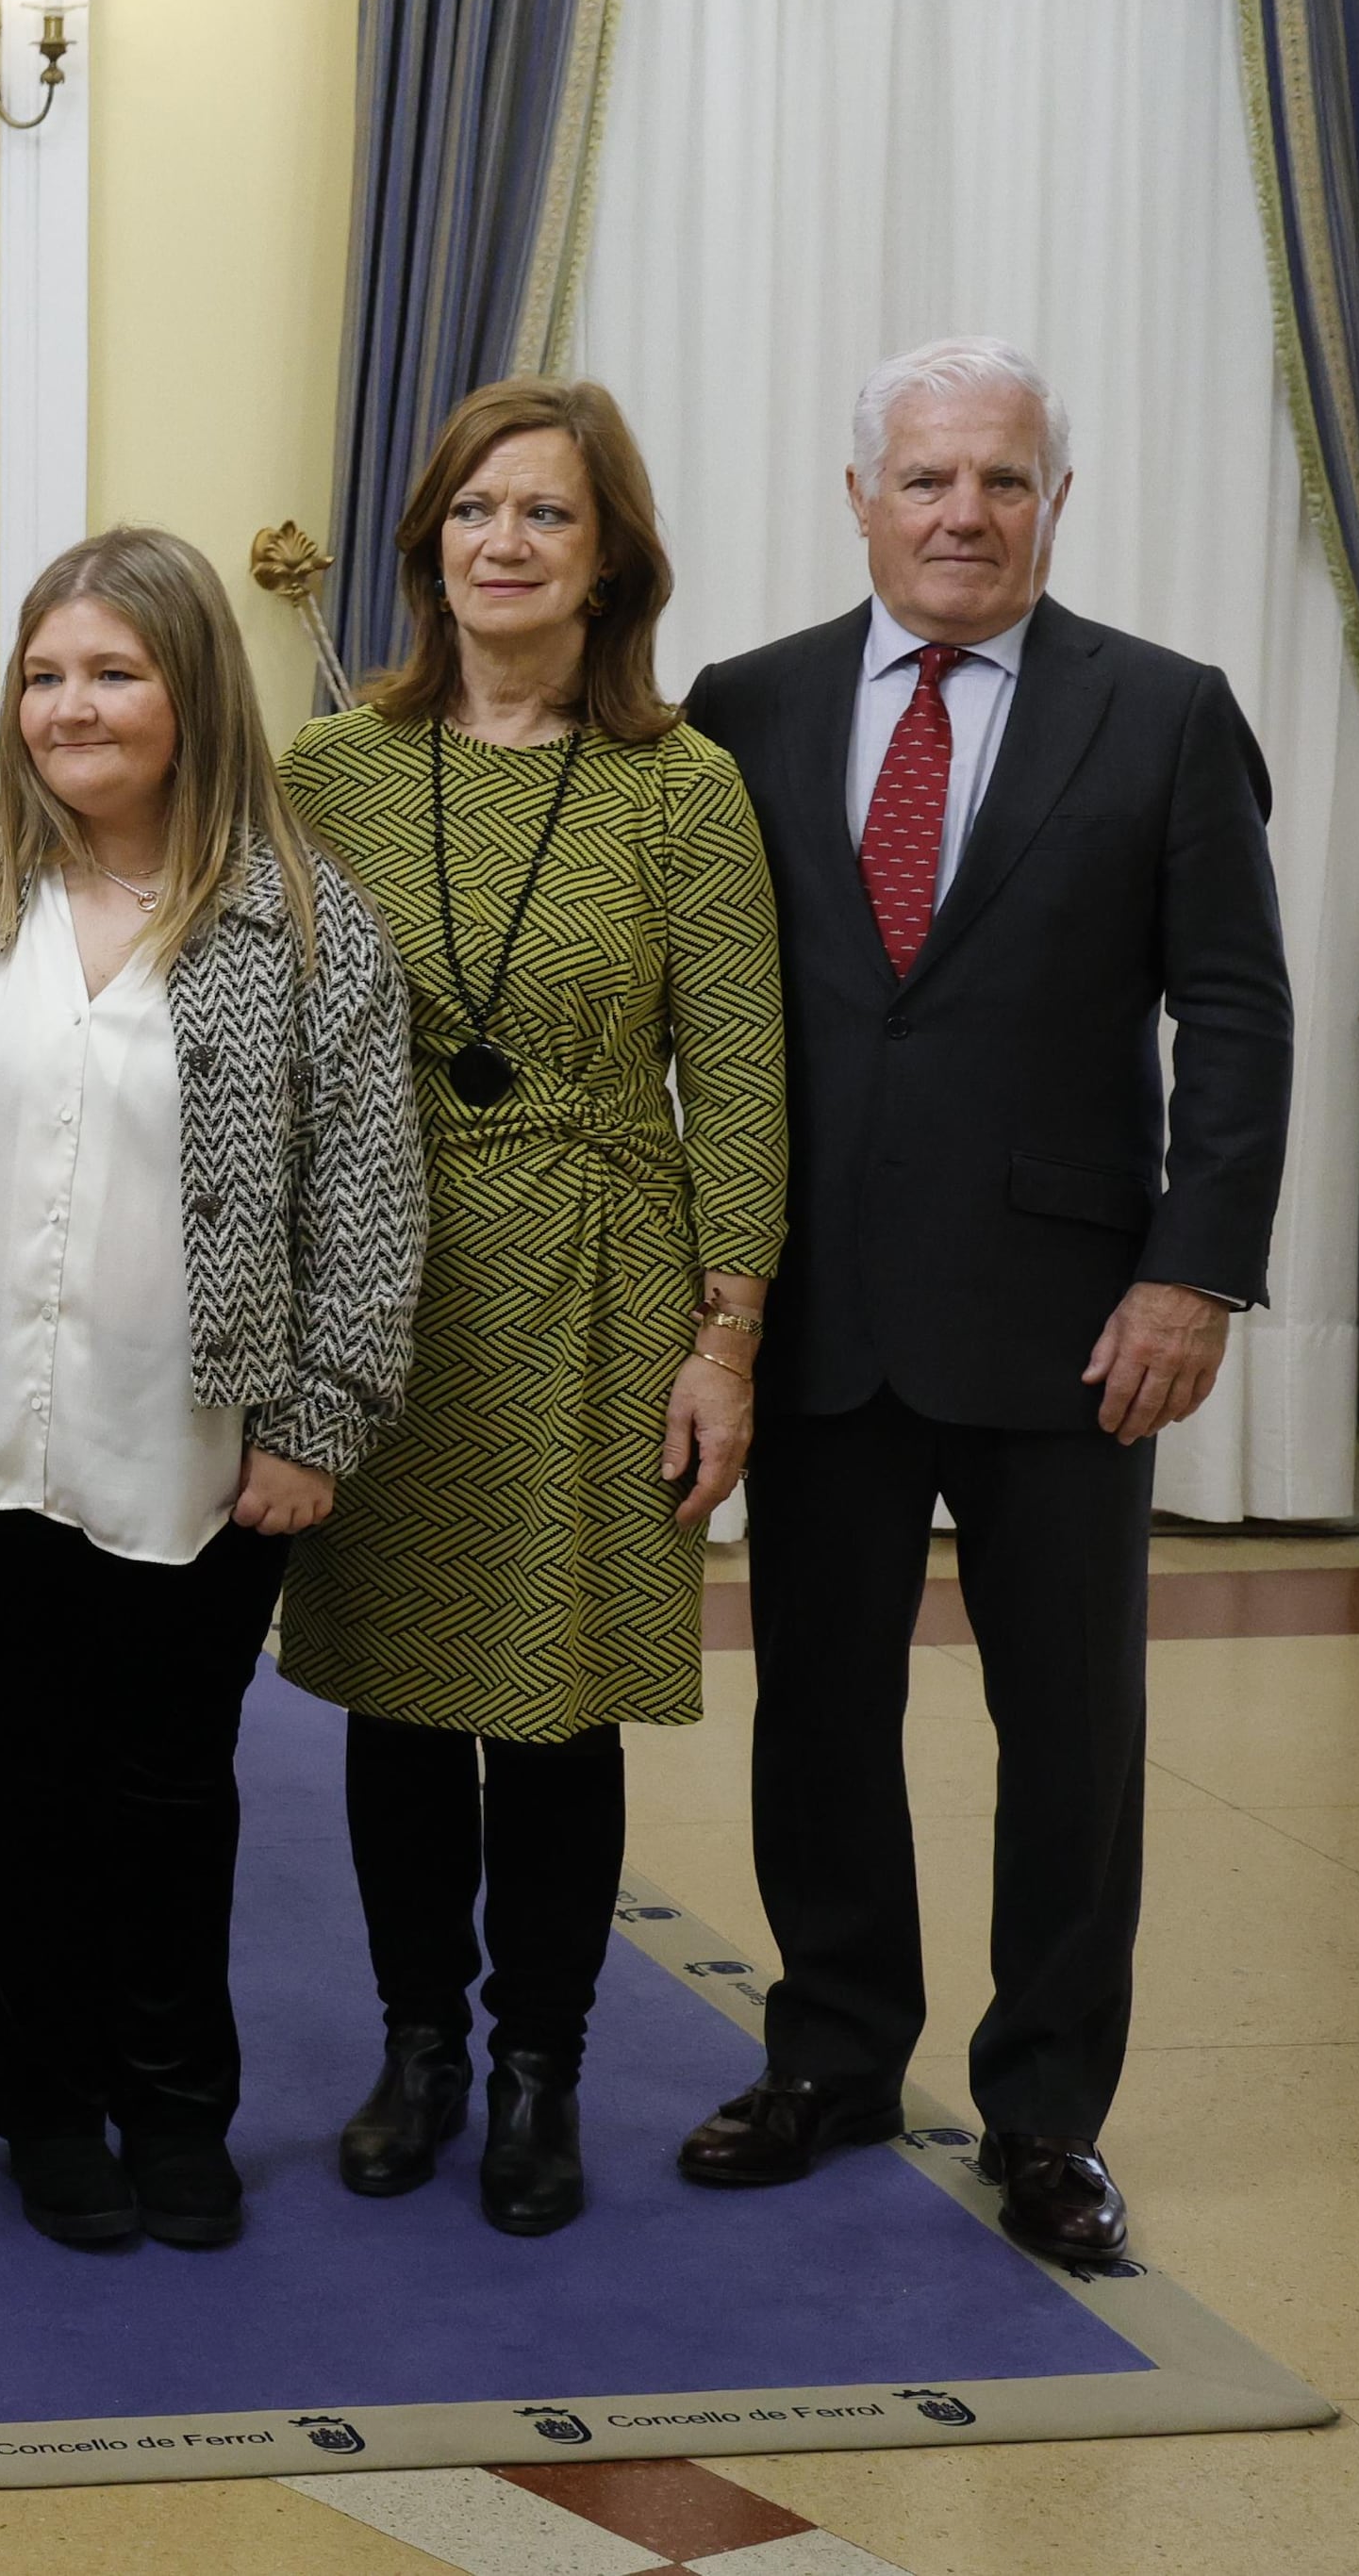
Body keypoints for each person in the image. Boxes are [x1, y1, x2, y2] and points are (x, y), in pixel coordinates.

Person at [675, 339, 1290, 2269]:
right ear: (857, 497)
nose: (963, 513)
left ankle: (1044, 2112)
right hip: (825, 1310)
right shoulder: (744, 709)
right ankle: (837, 2053)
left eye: (1003, 481)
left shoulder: (1165, 713)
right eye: (928, 478)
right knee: (820, 1715)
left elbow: (1239, 1010)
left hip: (1070, 1323)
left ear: (1054, 503)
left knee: (1070, 1735)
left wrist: (1190, 1266)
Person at [273, 378, 788, 2239]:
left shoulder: (683, 785)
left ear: (608, 561)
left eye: (543, 515)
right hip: (383, 1282)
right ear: (426, 549)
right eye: (473, 511)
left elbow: (733, 1076)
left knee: (553, 1709)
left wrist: (722, 1338)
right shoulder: (326, 768)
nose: (501, 541)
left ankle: (536, 2065)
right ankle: (418, 2045)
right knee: (404, 1697)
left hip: (593, 1275)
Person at [0, 526, 424, 2255]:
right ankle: (48, 2108)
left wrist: (321, 1415)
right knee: (21, 1774)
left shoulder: (301, 914)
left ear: (192, 689)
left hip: (202, 1431)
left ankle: (175, 2103)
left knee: (172, 1780)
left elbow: (368, 1178)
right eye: (47, 674)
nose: (74, 705)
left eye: (115, 671)